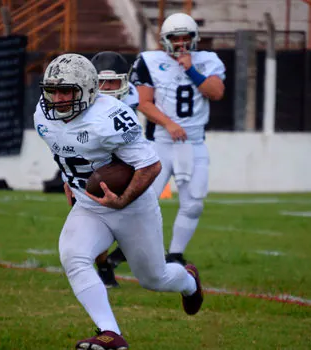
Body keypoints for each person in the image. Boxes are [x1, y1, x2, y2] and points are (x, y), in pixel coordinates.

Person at [34, 53, 203, 349]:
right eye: (53, 90)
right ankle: (110, 334)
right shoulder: (42, 115)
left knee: (155, 278)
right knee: (73, 256)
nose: (58, 98)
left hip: (132, 206)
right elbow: (65, 152)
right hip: (90, 203)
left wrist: (122, 199)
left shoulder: (110, 116)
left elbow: (150, 166)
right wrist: (68, 181)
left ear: (87, 89)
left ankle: (189, 281)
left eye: (67, 91)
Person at [130, 12, 226, 266]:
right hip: (159, 142)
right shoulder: (149, 61)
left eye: (186, 37)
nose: (181, 42)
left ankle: (174, 255)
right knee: (144, 202)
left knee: (194, 203)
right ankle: (134, 251)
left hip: (193, 143)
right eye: (176, 37)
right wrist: (168, 123)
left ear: (195, 38)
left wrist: (191, 69)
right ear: (165, 39)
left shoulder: (207, 61)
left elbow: (216, 92)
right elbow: (143, 102)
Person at [90, 51, 137, 289]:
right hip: (95, 166)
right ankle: (104, 266)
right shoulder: (84, 101)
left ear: (125, 80)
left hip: (128, 162)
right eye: (101, 82)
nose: (107, 87)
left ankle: (124, 251)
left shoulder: (133, 97)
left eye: (113, 81)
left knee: (138, 221)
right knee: (97, 223)